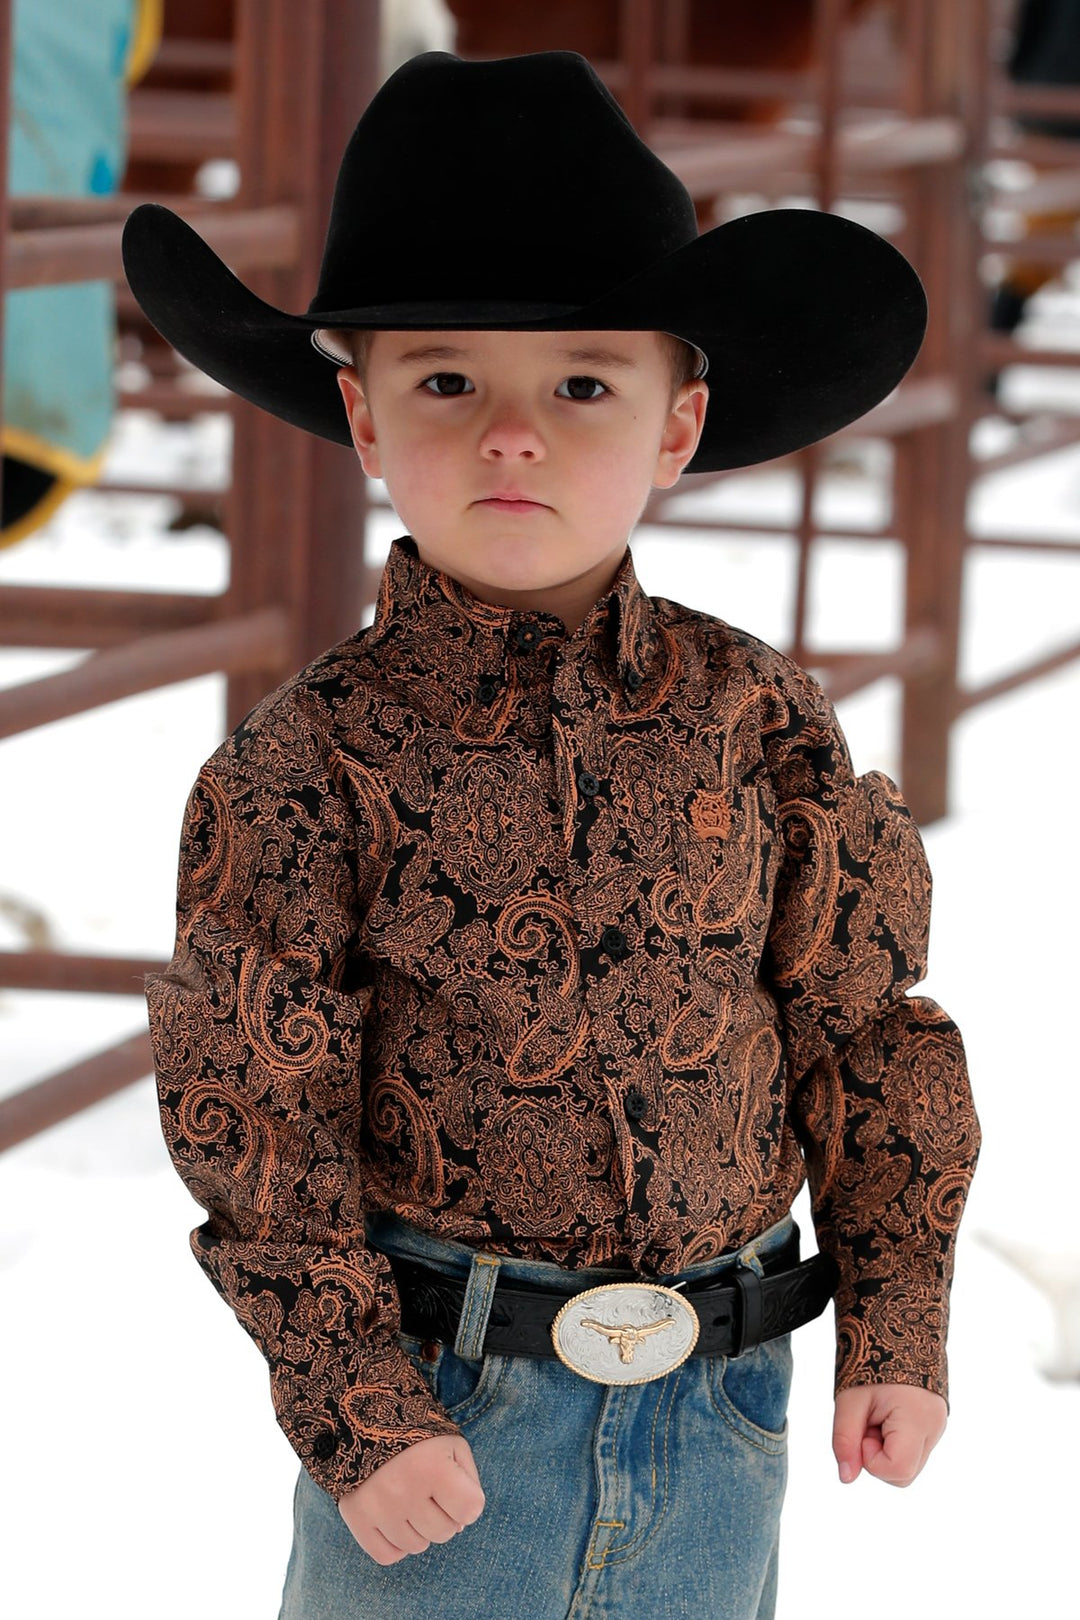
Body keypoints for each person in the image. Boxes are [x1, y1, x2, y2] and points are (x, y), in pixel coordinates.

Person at [123, 49, 981, 1620]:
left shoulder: (758, 716)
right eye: (447, 380)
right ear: (361, 414)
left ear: (678, 421)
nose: (512, 435)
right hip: (449, 1409)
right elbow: (257, 1112)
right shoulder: (306, 763)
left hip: (722, 1411)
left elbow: (864, 1026)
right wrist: (356, 1407)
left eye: (583, 383)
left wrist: (898, 1320)